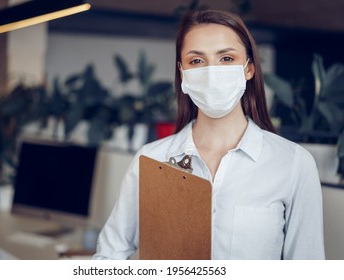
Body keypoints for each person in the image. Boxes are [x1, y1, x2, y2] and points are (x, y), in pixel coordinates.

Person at [93, 9, 325, 260]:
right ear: (182, 72)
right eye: (197, 61)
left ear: (249, 69)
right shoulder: (150, 160)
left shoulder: (293, 163)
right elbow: (108, 259)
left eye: (226, 58)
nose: (212, 72)